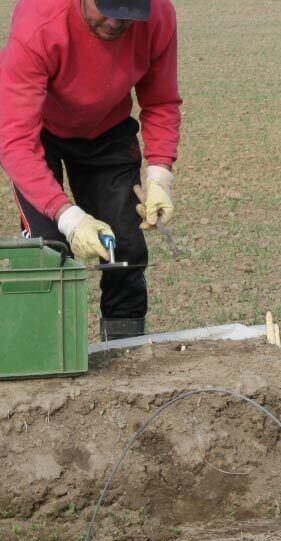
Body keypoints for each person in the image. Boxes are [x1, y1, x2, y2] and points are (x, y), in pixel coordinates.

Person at [0, 0, 180, 340]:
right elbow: (15, 143)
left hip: (107, 130)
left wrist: (159, 175)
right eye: (107, 8)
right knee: (49, 248)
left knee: (124, 245)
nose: (115, 22)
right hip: (36, 130)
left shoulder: (159, 16)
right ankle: (45, 351)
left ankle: (125, 348)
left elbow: (161, 101)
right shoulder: (39, 22)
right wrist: (70, 218)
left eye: (129, 13)